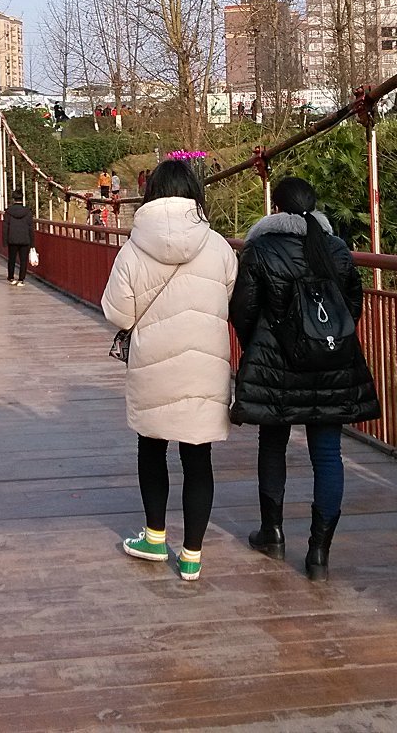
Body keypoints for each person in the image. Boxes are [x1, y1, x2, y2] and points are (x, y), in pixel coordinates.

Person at [229, 176, 380, 580]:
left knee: (272, 444)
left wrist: (260, 345)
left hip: (276, 364)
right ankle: (318, 554)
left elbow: (243, 309)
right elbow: (351, 306)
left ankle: (272, 533)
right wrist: (325, 341)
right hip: (331, 364)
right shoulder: (336, 248)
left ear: (275, 208)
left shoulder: (261, 248)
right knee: (328, 454)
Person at [101, 159, 237, 582]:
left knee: (151, 448)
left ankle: (155, 539)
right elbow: (228, 296)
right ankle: (192, 555)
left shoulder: (132, 249)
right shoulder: (218, 246)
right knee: (198, 457)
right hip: (205, 365)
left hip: (154, 364)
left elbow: (118, 313)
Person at [3, 192, 34, 286]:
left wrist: (5, 240)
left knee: (11, 259)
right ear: (22, 198)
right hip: (25, 238)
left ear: (13, 199)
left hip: (12, 238)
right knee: (23, 260)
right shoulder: (28, 212)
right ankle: (21, 279)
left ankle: (11, 277)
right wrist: (32, 243)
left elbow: (5, 227)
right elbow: (30, 228)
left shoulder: (8, 212)